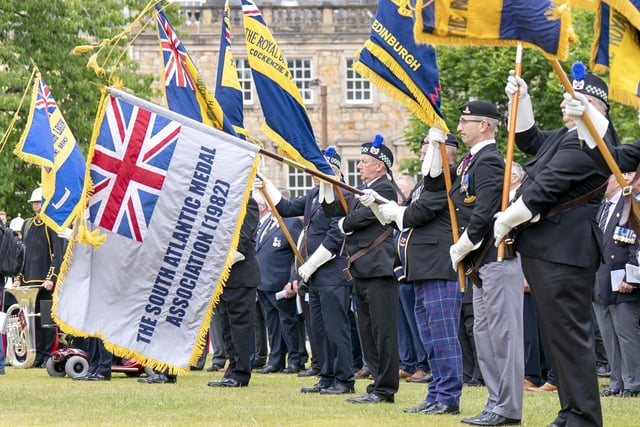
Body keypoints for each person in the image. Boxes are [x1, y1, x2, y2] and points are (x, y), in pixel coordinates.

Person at [493, 65, 613, 427]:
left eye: (571, 100)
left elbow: (546, 188)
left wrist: (508, 218)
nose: (564, 104)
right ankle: (570, 412)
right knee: (558, 339)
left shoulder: (593, 141)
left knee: (571, 340)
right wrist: (523, 100)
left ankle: (584, 417)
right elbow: (529, 140)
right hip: (549, 252)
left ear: (591, 105)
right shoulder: (568, 136)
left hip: (565, 254)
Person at [362, 130, 463, 414]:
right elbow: (400, 220)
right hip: (419, 268)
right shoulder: (424, 186)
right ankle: (435, 394)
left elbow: (413, 216)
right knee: (430, 338)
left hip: (439, 266)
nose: (421, 156)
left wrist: (389, 207)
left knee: (443, 338)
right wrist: (378, 205)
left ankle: (448, 398)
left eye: (426, 151)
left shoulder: (447, 179)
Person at [444, 101, 524, 426]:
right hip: (480, 265)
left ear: (485, 126)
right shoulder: (469, 162)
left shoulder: (490, 161)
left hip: (495, 257)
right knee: (483, 336)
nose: (460, 127)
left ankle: (509, 408)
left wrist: (460, 247)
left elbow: (484, 212)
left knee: (503, 336)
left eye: (466, 121)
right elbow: (451, 195)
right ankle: (495, 402)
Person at [259, 146, 355, 396]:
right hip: (315, 276)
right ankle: (326, 376)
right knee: (319, 330)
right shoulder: (314, 194)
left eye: (318, 169)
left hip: (333, 272)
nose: (313, 174)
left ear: (333, 168)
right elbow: (287, 208)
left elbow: (336, 236)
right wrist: (265, 182)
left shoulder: (342, 193)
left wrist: (310, 265)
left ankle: (344, 379)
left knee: (337, 328)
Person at [322, 135, 399, 404]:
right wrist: (326, 183)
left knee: (383, 332)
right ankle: (377, 384)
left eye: (365, 162)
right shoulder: (363, 191)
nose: (360, 167)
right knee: (367, 332)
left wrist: (345, 223)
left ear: (380, 166)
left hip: (379, 269)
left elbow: (358, 220)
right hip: (363, 270)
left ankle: (386, 388)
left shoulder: (385, 190)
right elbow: (332, 210)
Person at [593, 174, 640, 398]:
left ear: (616, 180)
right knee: (608, 334)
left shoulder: (631, 203)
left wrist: (632, 278)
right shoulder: (602, 207)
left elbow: (636, 242)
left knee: (626, 334)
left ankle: (633, 383)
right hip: (599, 280)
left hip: (622, 279)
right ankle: (616, 382)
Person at [207, 197, 261, 388]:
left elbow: (242, 240)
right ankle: (232, 369)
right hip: (225, 277)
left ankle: (240, 373)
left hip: (241, 275)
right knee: (227, 328)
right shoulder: (226, 204)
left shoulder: (248, 204)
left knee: (240, 327)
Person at [13, 187, 67, 368]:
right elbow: (22, 253)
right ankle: (36, 354)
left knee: (46, 320)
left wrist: (51, 277)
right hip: (28, 281)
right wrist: (19, 276)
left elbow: (57, 255)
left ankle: (47, 355)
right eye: (34, 202)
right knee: (32, 322)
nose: (35, 204)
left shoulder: (51, 223)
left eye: (38, 201)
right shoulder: (27, 224)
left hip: (45, 282)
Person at [254, 191, 304, 374]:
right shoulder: (265, 224)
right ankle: (275, 359)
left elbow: (297, 254)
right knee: (273, 325)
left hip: (282, 282)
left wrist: (293, 279)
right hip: (264, 282)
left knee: (288, 323)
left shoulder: (291, 222)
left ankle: (295, 359)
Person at [393, 174, 431, 384]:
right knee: (405, 325)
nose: (398, 196)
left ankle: (422, 365)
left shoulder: (412, 211)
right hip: (401, 274)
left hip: (413, 274)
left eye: (402, 192)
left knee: (418, 324)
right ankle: (409, 363)